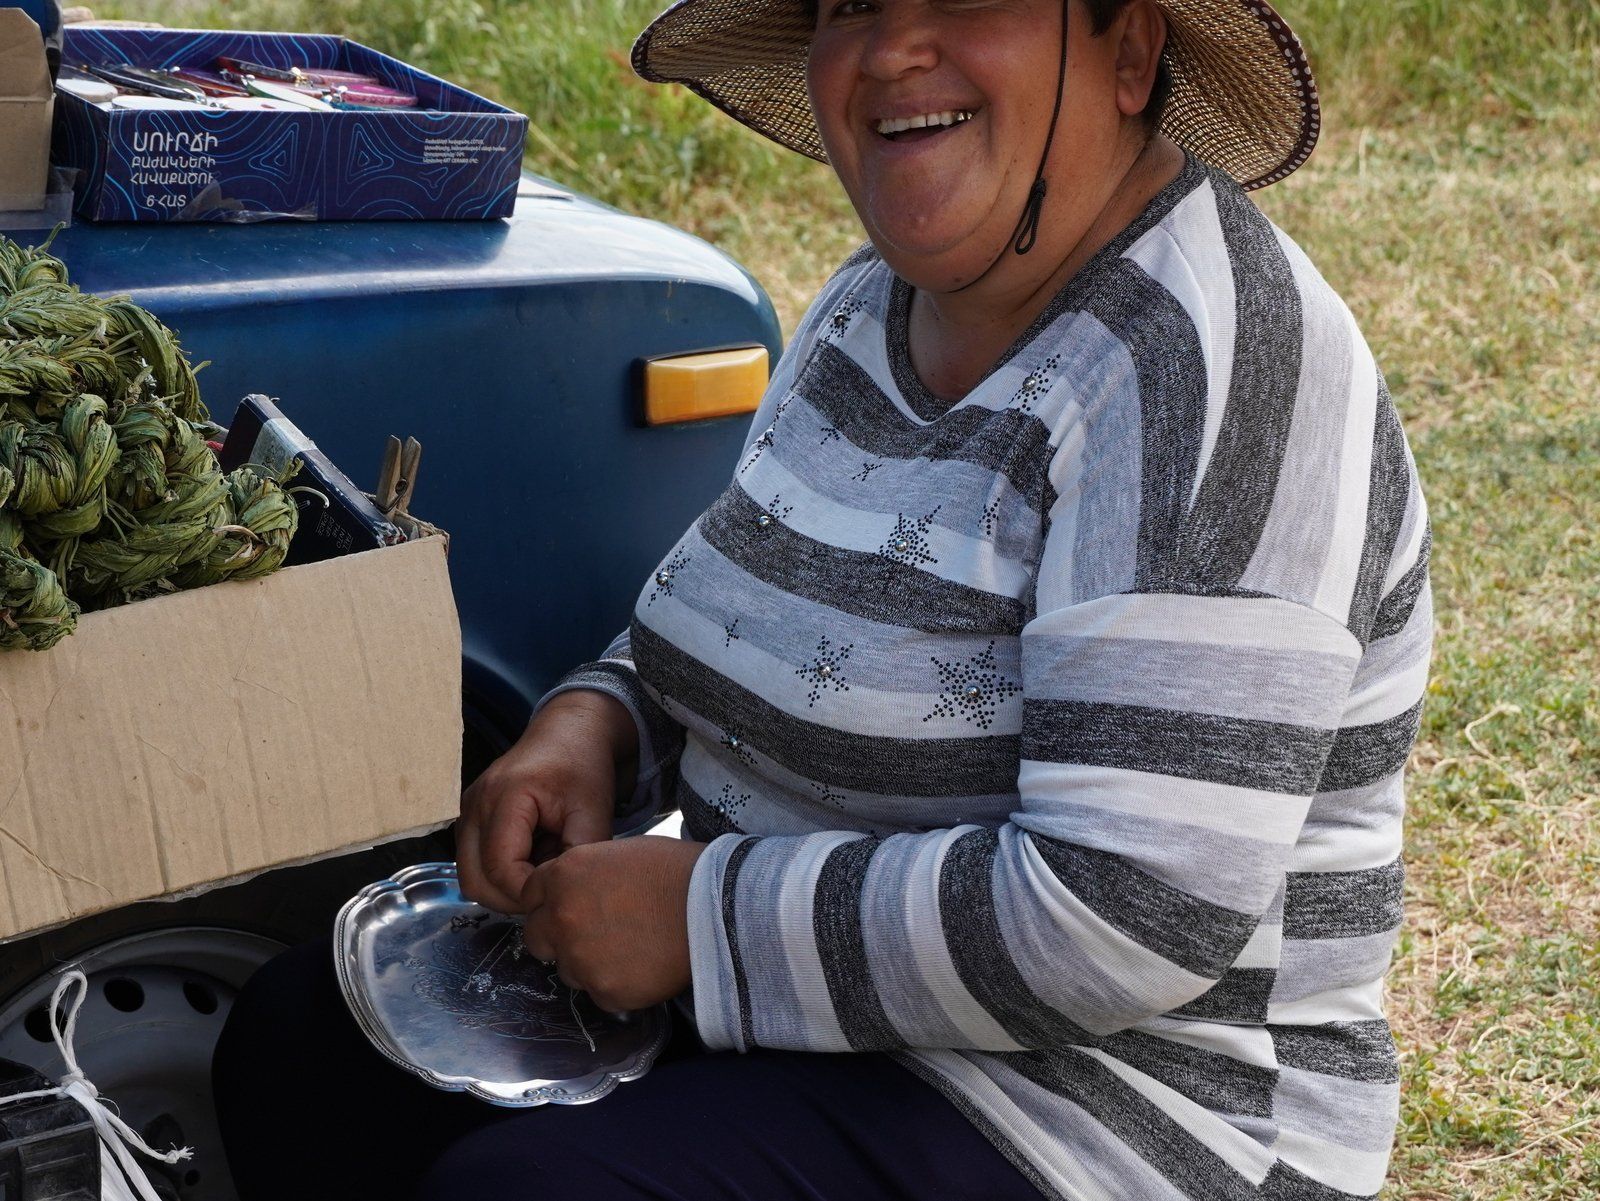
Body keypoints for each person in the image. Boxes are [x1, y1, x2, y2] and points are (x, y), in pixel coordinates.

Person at [213, 1, 1432, 1199]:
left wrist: (701, 925)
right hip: (815, 1019)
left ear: (1129, 52)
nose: (893, 46)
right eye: (851, 3)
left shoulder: (1211, 367)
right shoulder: (875, 299)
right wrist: (603, 722)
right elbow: (773, 599)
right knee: (302, 1046)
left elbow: (1130, 916)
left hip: (1115, 1111)